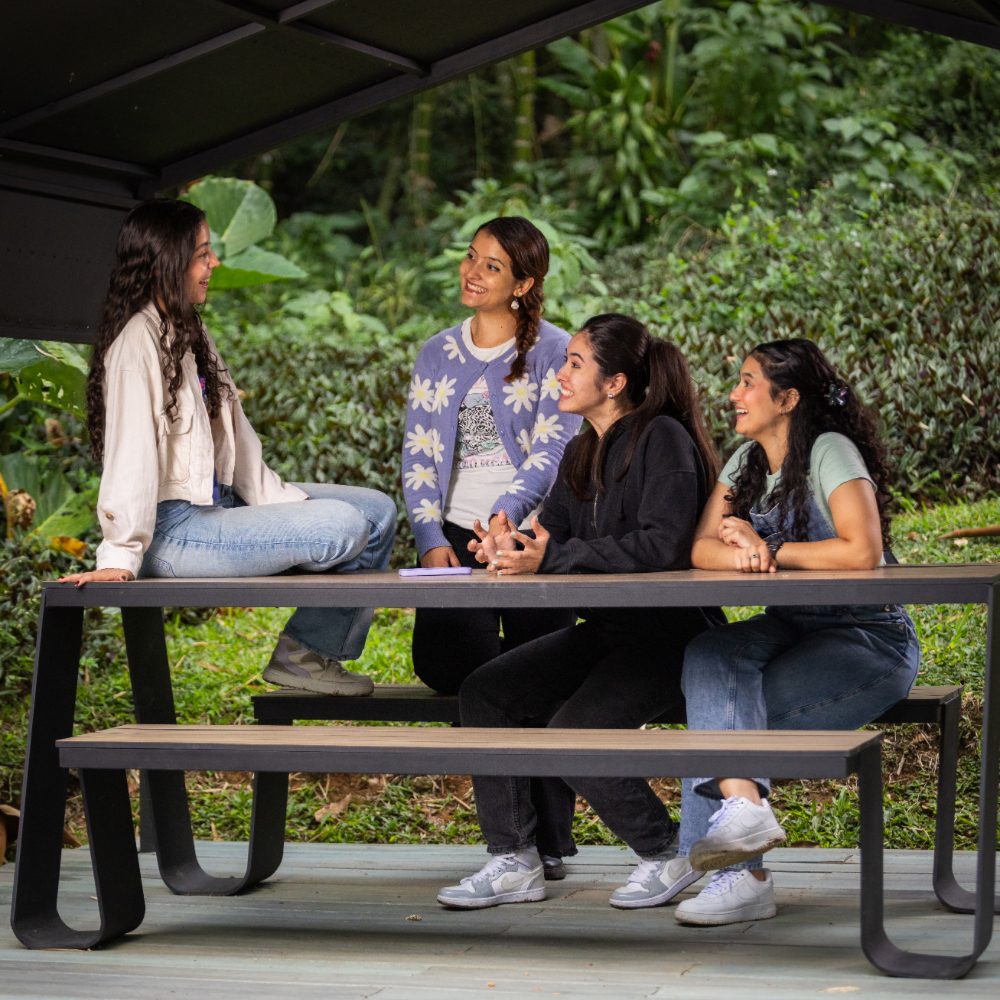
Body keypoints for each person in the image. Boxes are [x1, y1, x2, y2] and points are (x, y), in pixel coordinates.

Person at [435, 313, 724, 910]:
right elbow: (552, 540)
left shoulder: (662, 438)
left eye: (574, 363)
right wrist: (508, 549)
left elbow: (664, 546)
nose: (560, 375)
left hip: (673, 639)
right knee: (486, 693)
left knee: (570, 735)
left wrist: (553, 556)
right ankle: (514, 860)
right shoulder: (580, 451)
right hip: (609, 634)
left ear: (614, 383)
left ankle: (666, 850)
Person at [59, 199, 397, 696]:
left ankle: (305, 654)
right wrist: (120, 554)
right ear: (167, 261)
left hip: (217, 505)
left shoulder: (189, 329)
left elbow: (237, 440)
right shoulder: (137, 342)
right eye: (202, 253)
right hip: (172, 531)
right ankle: (307, 649)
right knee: (342, 526)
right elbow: (130, 455)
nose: (213, 263)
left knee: (377, 511)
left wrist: (278, 504)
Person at [674, 337, 920, 926]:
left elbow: (862, 551)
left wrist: (770, 548)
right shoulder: (745, 461)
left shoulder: (830, 450)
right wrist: (745, 555)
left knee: (723, 717)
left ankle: (729, 873)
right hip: (792, 625)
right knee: (710, 652)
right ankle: (738, 828)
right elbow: (701, 548)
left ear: (787, 399)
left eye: (748, 382)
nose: (734, 394)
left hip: (868, 637)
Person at [402, 216, 581, 876]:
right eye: (471, 257)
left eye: (492, 266)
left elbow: (553, 450)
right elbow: (419, 453)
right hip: (455, 537)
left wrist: (507, 519)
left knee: (542, 681)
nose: (472, 272)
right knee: (453, 667)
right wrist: (430, 537)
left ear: (524, 284)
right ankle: (521, 839)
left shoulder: (557, 352)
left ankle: (542, 844)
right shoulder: (437, 353)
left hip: (531, 536)